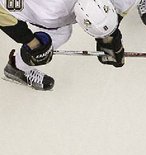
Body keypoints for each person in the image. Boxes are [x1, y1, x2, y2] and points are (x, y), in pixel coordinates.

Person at [0, 0, 136, 91]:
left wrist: (111, 36)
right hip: (46, 12)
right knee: (62, 33)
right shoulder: (49, 10)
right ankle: (17, 68)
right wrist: (33, 44)